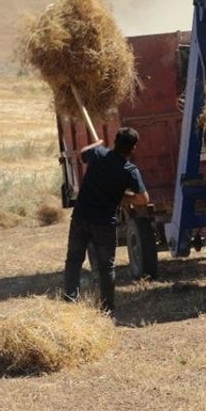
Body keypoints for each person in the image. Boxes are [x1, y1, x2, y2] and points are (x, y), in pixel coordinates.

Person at [63, 127, 148, 314]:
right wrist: (122, 197)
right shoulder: (130, 170)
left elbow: (81, 155)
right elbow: (143, 200)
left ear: (115, 141)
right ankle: (107, 308)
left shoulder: (99, 154)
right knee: (106, 267)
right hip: (104, 222)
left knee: (74, 260)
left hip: (81, 217)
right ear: (133, 148)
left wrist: (98, 143)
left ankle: (69, 301)